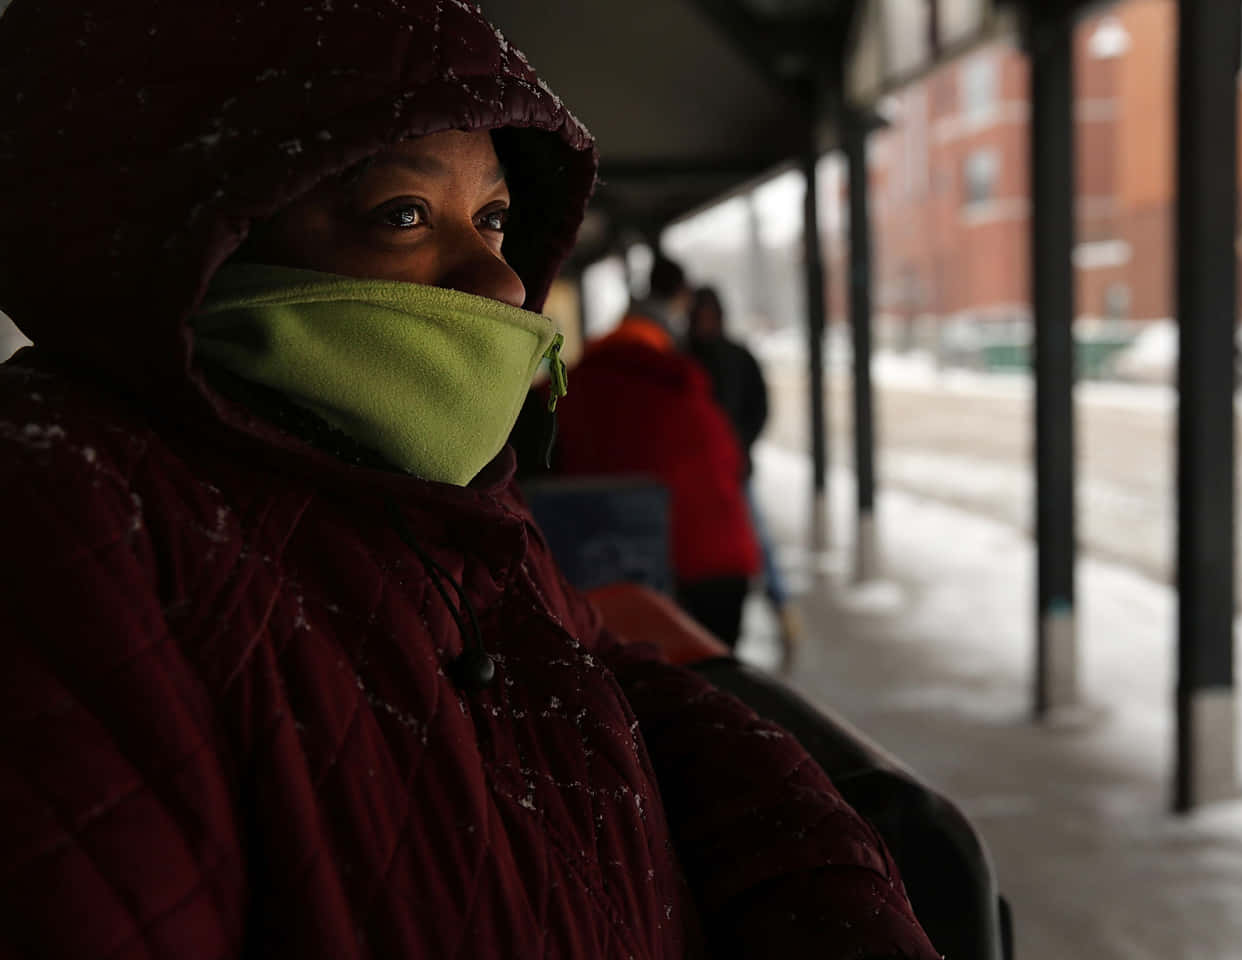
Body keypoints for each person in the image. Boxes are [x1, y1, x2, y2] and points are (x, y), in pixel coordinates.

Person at [0, 2, 940, 958]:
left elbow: (609, 682)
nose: (503, 285)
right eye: (404, 215)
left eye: (492, 219)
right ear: (197, 237)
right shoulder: (68, 520)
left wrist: (838, 887)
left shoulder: (451, 497)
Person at [552, 258, 762, 650]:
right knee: (711, 663)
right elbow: (728, 456)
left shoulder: (575, 397)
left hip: (641, 568)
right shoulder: (683, 385)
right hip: (713, 560)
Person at [685, 286, 800, 666]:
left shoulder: (726, 356)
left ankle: (783, 608)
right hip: (704, 474)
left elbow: (759, 407)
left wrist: (738, 446)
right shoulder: (686, 356)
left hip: (734, 471)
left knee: (756, 539)